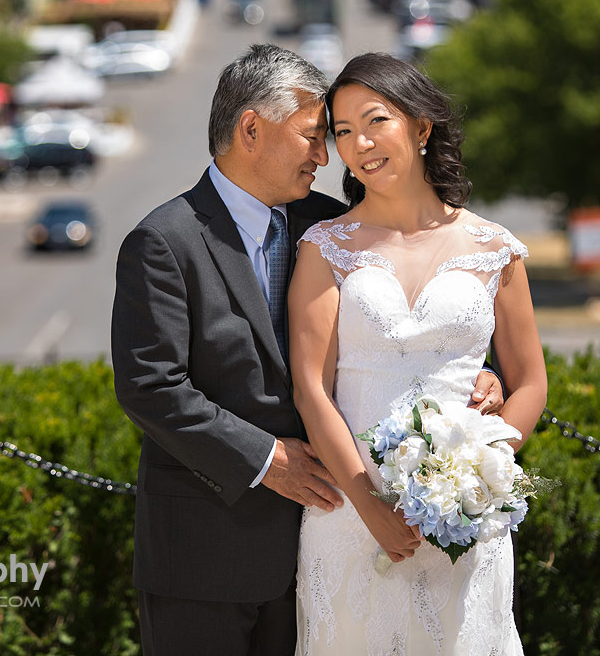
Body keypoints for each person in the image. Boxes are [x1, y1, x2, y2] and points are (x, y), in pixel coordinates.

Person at [112, 44, 505, 655]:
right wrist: (268, 459)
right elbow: (151, 388)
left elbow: (415, 313)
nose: (327, 157)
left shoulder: (330, 226)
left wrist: (484, 377)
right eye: (313, 136)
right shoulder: (163, 241)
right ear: (251, 129)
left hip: (320, 549)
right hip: (204, 557)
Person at [289, 52, 548, 655]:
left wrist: (475, 476)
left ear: (422, 126)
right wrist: (369, 504)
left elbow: (530, 383)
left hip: (464, 525)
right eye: (343, 132)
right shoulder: (325, 246)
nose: (359, 144)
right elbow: (311, 389)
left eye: (375, 121)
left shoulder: (495, 247)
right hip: (350, 518)